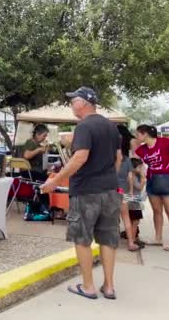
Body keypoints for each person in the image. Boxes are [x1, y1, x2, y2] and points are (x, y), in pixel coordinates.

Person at [42, 87, 122, 300]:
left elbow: (80, 158)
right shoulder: (111, 126)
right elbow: (118, 158)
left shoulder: (84, 126)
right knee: (107, 238)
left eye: (73, 101)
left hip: (87, 191)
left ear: (83, 103)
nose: (70, 105)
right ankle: (109, 286)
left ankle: (88, 286)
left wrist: (54, 181)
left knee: (82, 238)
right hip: (110, 190)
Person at [134, 124, 169, 251]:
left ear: (145, 134)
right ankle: (158, 238)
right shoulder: (141, 150)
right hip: (153, 180)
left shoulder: (164, 142)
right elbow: (138, 164)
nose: (136, 137)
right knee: (157, 211)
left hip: (168, 179)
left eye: (138, 134)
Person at [117, 125, 141, 252]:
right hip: (123, 190)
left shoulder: (108, 158)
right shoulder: (127, 160)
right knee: (126, 217)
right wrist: (131, 191)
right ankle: (131, 243)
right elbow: (130, 176)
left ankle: (110, 242)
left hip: (110, 190)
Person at [128, 158, 146, 247]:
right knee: (135, 222)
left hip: (131, 201)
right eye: (139, 167)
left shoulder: (130, 175)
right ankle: (133, 239)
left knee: (131, 221)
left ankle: (132, 238)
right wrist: (143, 179)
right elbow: (139, 188)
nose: (141, 169)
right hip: (134, 202)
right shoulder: (133, 177)